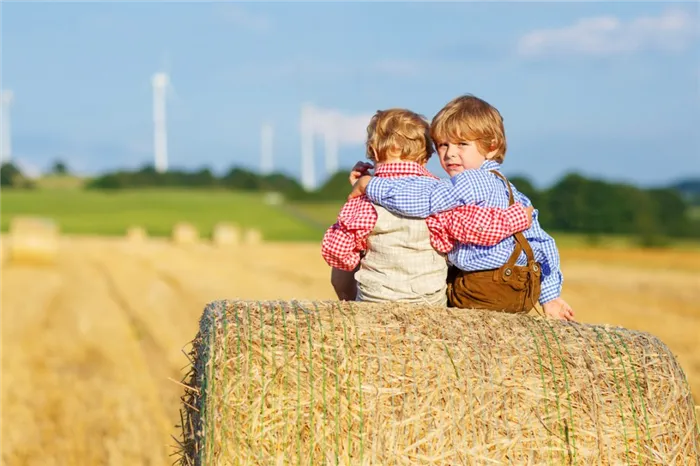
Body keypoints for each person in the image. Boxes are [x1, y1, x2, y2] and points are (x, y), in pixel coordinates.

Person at [349, 95, 575, 320]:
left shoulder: (471, 181)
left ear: (491, 146)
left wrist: (371, 185)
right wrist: (550, 296)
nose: (450, 153)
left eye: (461, 144)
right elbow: (542, 242)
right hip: (515, 289)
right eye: (442, 145)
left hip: (478, 287)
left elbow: (423, 201)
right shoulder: (512, 191)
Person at [322, 108, 534, 306]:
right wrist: (514, 219)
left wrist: (355, 198)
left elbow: (338, 252)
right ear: (426, 156)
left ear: (373, 152)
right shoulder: (441, 194)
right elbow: (475, 227)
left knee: (348, 255)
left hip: (374, 300)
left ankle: (351, 309)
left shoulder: (364, 199)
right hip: (429, 303)